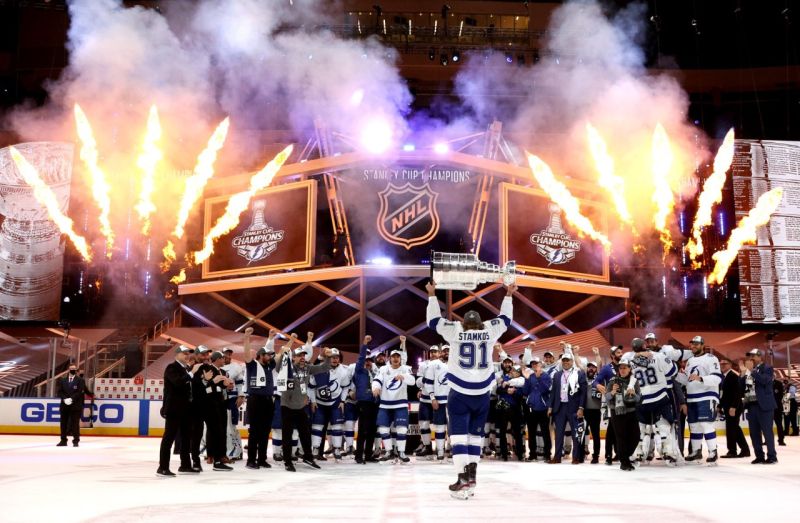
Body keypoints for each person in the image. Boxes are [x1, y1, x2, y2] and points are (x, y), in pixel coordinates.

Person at [426, 279, 516, 499]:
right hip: (482, 393)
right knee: (476, 437)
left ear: (464, 322)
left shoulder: (455, 330)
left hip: (459, 391)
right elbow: (505, 319)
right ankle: (472, 477)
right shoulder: (489, 331)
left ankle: (462, 479)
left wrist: (431, 295)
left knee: (457, 437)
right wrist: (508, 295)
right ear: (480, 323)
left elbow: (433, 321)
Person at [275, 335, 332, 472]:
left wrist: (327, 356)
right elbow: (277, 366)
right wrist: (284, 351)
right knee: (287, 435)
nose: (302, 357)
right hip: (287, 406)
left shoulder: (308, 368)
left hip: (301, 407)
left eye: (304, 355)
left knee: (305, 434)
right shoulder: (287, 367)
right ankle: (288, 461)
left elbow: (324, 367)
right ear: (293, 358)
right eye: (299, 355)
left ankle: (308, 457)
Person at [626, 338, 679, 466]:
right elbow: (673, 372)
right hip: (659, 395)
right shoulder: (658, 356)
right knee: (663, 425)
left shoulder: (630, 360)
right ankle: (667, 451)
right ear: (645, 345)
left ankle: (638, 453)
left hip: (643, 398)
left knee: (642, 428)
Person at [372, 340, 414, 463]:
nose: (395, 359)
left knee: (402, 429)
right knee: (383, 429)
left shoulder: (406, 369)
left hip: (400, 404)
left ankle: (401, 452)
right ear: (389, 359)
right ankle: (389, 451)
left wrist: (404, 377)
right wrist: (376, 387)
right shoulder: (384, 369)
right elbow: (377, 379)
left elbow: (412, 381)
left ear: (401, 359)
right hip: (385, 404)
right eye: (393, 357)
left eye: (397, 357)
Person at [685, 336, 723, 465]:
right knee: (694, 426)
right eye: (692, 344)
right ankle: (696, 451)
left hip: (706, 395)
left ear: (702, 345)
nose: (694, 346)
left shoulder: (711, 359)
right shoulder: (689, 360)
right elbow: (688, 379)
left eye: (696, 344)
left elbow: (717, 378)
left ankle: (713, 451)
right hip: (691, 397)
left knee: (706, 424)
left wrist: (701, 378)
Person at [158, 345, 195, 477]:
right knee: (169, 437)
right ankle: (162, 467)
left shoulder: (185, 369)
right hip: (174, 409)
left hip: (186, 409)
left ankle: (185, 465)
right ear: (177, 354)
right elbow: (178, 383)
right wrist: (191, 373)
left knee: (186, 438)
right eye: (184, 353)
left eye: (188, 353)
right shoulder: (172, 368)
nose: (187, 355)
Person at [242, 327, 276, 470]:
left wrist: (271, 338)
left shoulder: (269, 366)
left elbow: (277, 354)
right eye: (268, 355)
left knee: (265, 431)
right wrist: (246, 338)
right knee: (255, 431)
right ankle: (251, 460)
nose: (270, 357)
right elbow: (246, 354)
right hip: (255, 400)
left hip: (268, 401)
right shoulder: (252, 366)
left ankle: (262, 459)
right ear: (261, 356)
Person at [194, 352, 233, 471]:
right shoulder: (205, 369)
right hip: (208, 405)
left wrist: (226, 385)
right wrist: (213, 382)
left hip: (219, 404)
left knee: (219, 431)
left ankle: (219, 457)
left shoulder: (222, 371)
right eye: (222, 358)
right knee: (212, 432)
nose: (224, 360)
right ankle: (212, 457)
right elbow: (201, 387)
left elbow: (217, 388)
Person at [310, 346, 350, 461]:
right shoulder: (319, 368)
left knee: (337, 427)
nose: (334, 359)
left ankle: (337, 448)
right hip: (320, 403)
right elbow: (311, 387)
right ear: (327, 358)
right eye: (332, 357)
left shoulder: (343, 371)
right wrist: (313, 401)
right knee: (317, 427)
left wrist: (342, 400)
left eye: (337, 357)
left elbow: (345, 387)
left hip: (335, 403)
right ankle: (316, 449)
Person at [740, 349, 778, 464]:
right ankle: (759, 456)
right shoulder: (748, 371)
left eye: (753, 356)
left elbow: (765, 381)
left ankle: (772, 456)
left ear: (759, 357)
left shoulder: (767, 368)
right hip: (751, 405)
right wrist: (742, 375)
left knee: (767, 432)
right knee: (754, 433)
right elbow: (741, 388)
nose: (750, 358)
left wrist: (752, 371)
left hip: (764, 405)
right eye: (749, 356)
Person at [548, 353, 587, 464]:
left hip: (574, 408)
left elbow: (583, 393)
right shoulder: (557, 375)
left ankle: (576, 457)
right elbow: (553, 393)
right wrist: (550, 406)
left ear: (572, 361)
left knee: (576, 434)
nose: (565, 362)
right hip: (559, 408)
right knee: (559, 434)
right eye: (564, 360)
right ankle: (557, 457)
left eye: (568, 360)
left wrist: (581, 407)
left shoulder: (579, 373)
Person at [606, 357, 641, 471]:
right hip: (617, 413)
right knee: (621, 438)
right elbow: (606, 397)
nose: (622, 370)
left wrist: (634, 395)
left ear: (629, 368)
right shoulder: (613, 381)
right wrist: (612, 392)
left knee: (635, 437)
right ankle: (624, 462)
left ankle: (626, 456)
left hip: (631, 412)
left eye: (625, 368)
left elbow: (640, 398)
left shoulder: (634, 381)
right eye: (620, 368)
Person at [593, 345, 623, 465]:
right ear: (612, 355)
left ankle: (619, 453)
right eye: (618, 352)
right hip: (611, 402)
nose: (621, 354)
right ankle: (608, 455)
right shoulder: (606, 368)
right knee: (611, 429)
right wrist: (597, 385)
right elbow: (596, 380)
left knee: (620, 428)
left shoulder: (625, 366)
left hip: (624, 402)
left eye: (621, 352)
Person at [353, 335, 379, 464]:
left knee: (372, 430)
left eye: (370, 360)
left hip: (375, 403)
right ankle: (359, 456)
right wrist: (364, 343)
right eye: (366, 360)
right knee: (363, 429)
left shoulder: (375, 373)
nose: (367, 362)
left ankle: (368, 455)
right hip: (363, 403)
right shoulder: (359, 371)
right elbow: (361, 357)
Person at [522, 357, 551, 462]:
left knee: (545, 432)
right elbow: (525, 392)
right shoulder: (530, 376)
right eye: (533, 364)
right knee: (531, 432)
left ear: (541, 364)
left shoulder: (546, 376)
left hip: (543, 409)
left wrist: (539, 378)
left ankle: (547, 454)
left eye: (536, 363)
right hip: (532, 409)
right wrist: (526, 379)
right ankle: (532, 454)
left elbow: (546, 390)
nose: (534, 365)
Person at [719, 359, 750, 458]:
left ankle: (733, 451)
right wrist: (720, 406)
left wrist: (733, 407)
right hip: (729, 406)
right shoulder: (725, 376)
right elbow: (725, 395)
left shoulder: (733, 376)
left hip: (734, 406)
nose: (722, 365)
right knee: (733, 428)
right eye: (721, 364)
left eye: (725, 364)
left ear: (730, 365)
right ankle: (744, 450)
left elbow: (738, 393)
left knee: (732, 429)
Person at [495, 357, 524, 461]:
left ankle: (520, 454)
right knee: (502, 432)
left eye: (515, 371)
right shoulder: (505, 378)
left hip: (515, 409)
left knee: (517, 432)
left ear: (519, 373)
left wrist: (514, 392)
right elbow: (498, 390)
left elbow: (522, 394)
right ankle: (504, 454)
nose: (513, 372)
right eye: (512, 370)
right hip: (503, 409)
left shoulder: (521, 381)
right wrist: (506, 391)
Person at [426, 345, 451, 462]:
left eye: (449, 351)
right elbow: (428, 382)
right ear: (441, 352)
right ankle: (440, 450)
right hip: (439, 400)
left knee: (454, 427)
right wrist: (432, 398)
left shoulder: (457, 363)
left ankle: (453, 449)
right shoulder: (434, 364)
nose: (447, 352)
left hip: (454, 400)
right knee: (440, 427)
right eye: (445, 351)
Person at [415, 345, 440, 458]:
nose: (433, 354)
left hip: (439, 398)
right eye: (432, 352)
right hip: (425, 398)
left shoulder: (443, 365)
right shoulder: (423, 365)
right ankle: (427, 446)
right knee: (423, 423)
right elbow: (418, 381)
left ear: (439, 353)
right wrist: (424, 383)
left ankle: (441, 448)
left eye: (435, 352)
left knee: (441, 425)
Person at [221, 347, 244, 461]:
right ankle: (221, 451)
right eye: (225, 354)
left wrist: (241, 396)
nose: (227, 356)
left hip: (232, 399)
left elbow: (241, 383)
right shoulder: (216, 367)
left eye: (229, 354)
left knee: (232, 426)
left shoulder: (236, 367)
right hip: (219, 400)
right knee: (220, 426)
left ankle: (236, 451)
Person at [56, 362, 87, 448]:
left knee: (75, 424)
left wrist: (71, 399)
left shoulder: (80, 380)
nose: (73, 370)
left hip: (75, 406)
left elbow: (79, 392)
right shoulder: (62, 380)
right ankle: (63, 440)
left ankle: (76, 441)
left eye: (74, 369)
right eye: (71, 369)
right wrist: (65, 399)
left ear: (76, 370)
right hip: (64, 405)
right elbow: (59, 392)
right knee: (63, 424)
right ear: (68, 370)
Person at [584, 361, 603, 463]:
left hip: (595, 411)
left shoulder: (599, 379)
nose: (591, 369)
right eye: (589, 367)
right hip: (584, 410)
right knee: (582, 433)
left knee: (596, 434)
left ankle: (596, 455)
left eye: (593, 367)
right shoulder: (583, 378)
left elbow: (599, 363)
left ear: (596, 369)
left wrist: (597, 355)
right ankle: (582, 452)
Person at [772, 378, 786, 446]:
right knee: (767, 426)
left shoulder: (779, 383)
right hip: (768, 408)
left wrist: (775, 403)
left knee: (779, 425)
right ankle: (767, 440)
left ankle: (781, 440)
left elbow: (781, 395)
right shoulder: (765, 383)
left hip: (777, 407)